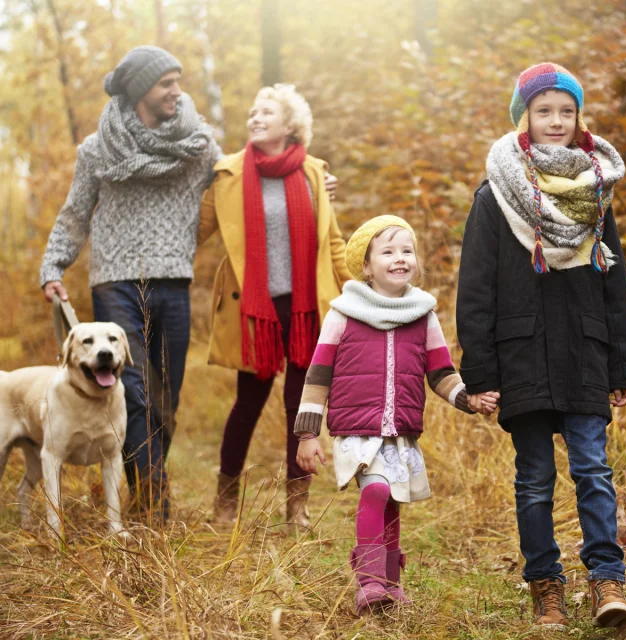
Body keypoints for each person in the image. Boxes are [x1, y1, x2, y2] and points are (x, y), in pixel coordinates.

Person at [456, 63, 626, 631]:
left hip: (584, 351)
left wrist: (623, 362)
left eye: (566, 110)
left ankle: (607, 579)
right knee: (534, 478)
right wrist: (480, 370)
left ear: (578, 117)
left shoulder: (595, 193)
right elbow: (476, 287)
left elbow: (614, 284)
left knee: (593, 468)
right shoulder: (495, 195)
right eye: (544, 111)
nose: (556, 121)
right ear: (524, 117)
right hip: (521, 357)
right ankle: (546, 587)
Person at [40, 46, 223, 522]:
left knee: (166, 399)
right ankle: (155, 506)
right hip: (116, 283)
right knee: (134, 391)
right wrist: (52, 268)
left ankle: (141, 488)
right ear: (141, 90)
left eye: (178, 80)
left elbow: (238, 180)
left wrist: (312, 178)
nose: (177, 91)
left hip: (174, 284)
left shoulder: (199, 146)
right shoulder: (98, 150)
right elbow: (76, 214)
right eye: (166, 83)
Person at [295, 215, 498, 615]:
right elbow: (318, 374)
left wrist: (467, 399)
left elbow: (440, 372)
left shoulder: (423, 315)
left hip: (400, 431)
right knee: (376, 490)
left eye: (407, 251)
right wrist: (307, 433)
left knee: (392, 502)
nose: (399, 258)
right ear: (367, 266)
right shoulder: (344, 312)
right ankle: (369, 580)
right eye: (387, 251)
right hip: (357, 429)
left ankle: (390, 583)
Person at [198, 84, 351, 528]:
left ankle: (296, 505)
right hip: (255, 311)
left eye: (266, 111)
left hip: (305, 309)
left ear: (290, 125)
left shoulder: (314, 174)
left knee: (300, 409)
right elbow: (195, 229)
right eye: (252, 111)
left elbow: (334, 242)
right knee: (247, 404)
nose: (255, 116)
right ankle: (225, 502)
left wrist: (357, 292)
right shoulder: (227, 175)